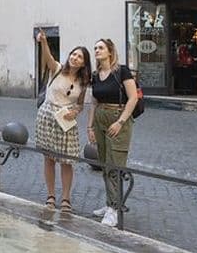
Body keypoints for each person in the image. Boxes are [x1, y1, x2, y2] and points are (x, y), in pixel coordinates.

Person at [35, 30, 91, 213]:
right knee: (49, 158)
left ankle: (66, 198)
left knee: (67, 160)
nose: (75, 58)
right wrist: (43, 41)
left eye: (80, 56)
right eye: (73, 54)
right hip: (48, 115)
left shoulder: (83, 81)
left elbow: (80, 105)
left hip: (66, 121)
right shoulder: (57, 68)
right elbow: (48, 58)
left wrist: (75, 112)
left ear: (84, 62)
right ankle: (50, 196)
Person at [87, 38, 140, 227]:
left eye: (100, 47)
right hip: (100, 117)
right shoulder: (95, 74)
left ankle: (115, 209)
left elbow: (133, 98)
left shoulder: (121, 71)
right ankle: (110, 203)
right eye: (95, 48)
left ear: (110, 51)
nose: (97, 50)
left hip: (118, 117)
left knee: (115, 164)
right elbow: (93, 102)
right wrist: (90, 126)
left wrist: (120, 121)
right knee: (104, 163)